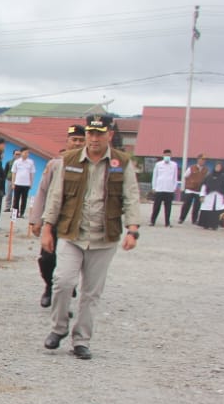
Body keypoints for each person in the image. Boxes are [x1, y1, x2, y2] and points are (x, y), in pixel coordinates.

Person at [40, 115, 141, 360]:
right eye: (90, 133)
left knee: (91, 293)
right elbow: (56, 195)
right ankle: (58, 328)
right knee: (62, 282)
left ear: (109, 135)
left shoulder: (121, 162)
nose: (94, 138)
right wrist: (46, 227)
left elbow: (131, 196)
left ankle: (81, 340)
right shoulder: (69, 159)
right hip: (71, 233)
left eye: (99, 134)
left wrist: (133, 229)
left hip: (103, 237)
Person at [28, 125, 86, 307]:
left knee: (70, 260)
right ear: (67, 142)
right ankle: (49, 286)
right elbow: (42, 192)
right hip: (54, 220)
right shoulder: (55, 164)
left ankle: (64, 298)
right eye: (74, 139)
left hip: (76, 222)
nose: (77, 143)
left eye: (80, 140)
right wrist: (36, 220)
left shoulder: (89, 166)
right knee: (46, 259)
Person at [148, 149, 180, 227]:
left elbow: (175, 177)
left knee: (168, 207)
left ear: (171, 156)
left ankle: (167, 223)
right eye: (166, 155)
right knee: (156, 206)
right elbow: (155, 176)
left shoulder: (174, 165)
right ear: (163, 156)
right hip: (159, 189)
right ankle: (152, 221)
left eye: (169, 155)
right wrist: (154, 187)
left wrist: (174, 188)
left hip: (169, 189)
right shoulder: (158, 164)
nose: (167, 157)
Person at [199, 161, 224, 230]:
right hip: (209, 196)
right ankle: (205, 224)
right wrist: (202, 195)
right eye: (217, 167)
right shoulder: (209, 176)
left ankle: (214, 225)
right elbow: (204, 186)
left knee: (216, 211)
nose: (218, 168)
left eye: (219, 167)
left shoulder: (223, 177)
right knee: (207, 209)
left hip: (219, 196)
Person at [179, 154, 207, 224]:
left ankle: (194, 220)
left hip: (199, 191)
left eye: (204, 160)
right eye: (201, 159)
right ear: (198, 160)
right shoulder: (191, 168)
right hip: (190, 190)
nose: (203, 161)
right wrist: (189, 183)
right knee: (186, 205)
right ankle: (181, 218)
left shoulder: (205, 170)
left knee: (197, 207)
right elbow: (185, 176)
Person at [9, 147, 36, 217]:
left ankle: (22, 213)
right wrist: (13, 183)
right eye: (25, 152)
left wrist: (31, 183)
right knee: (16, 199)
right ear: (21, 153)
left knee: (24, 200)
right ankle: (15, 213)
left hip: (26, 184)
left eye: (28, 153)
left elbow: (32, 174)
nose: (26, 154)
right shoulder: (17, 162)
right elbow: (14, 173)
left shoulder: (31, 162)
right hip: (17, 183)